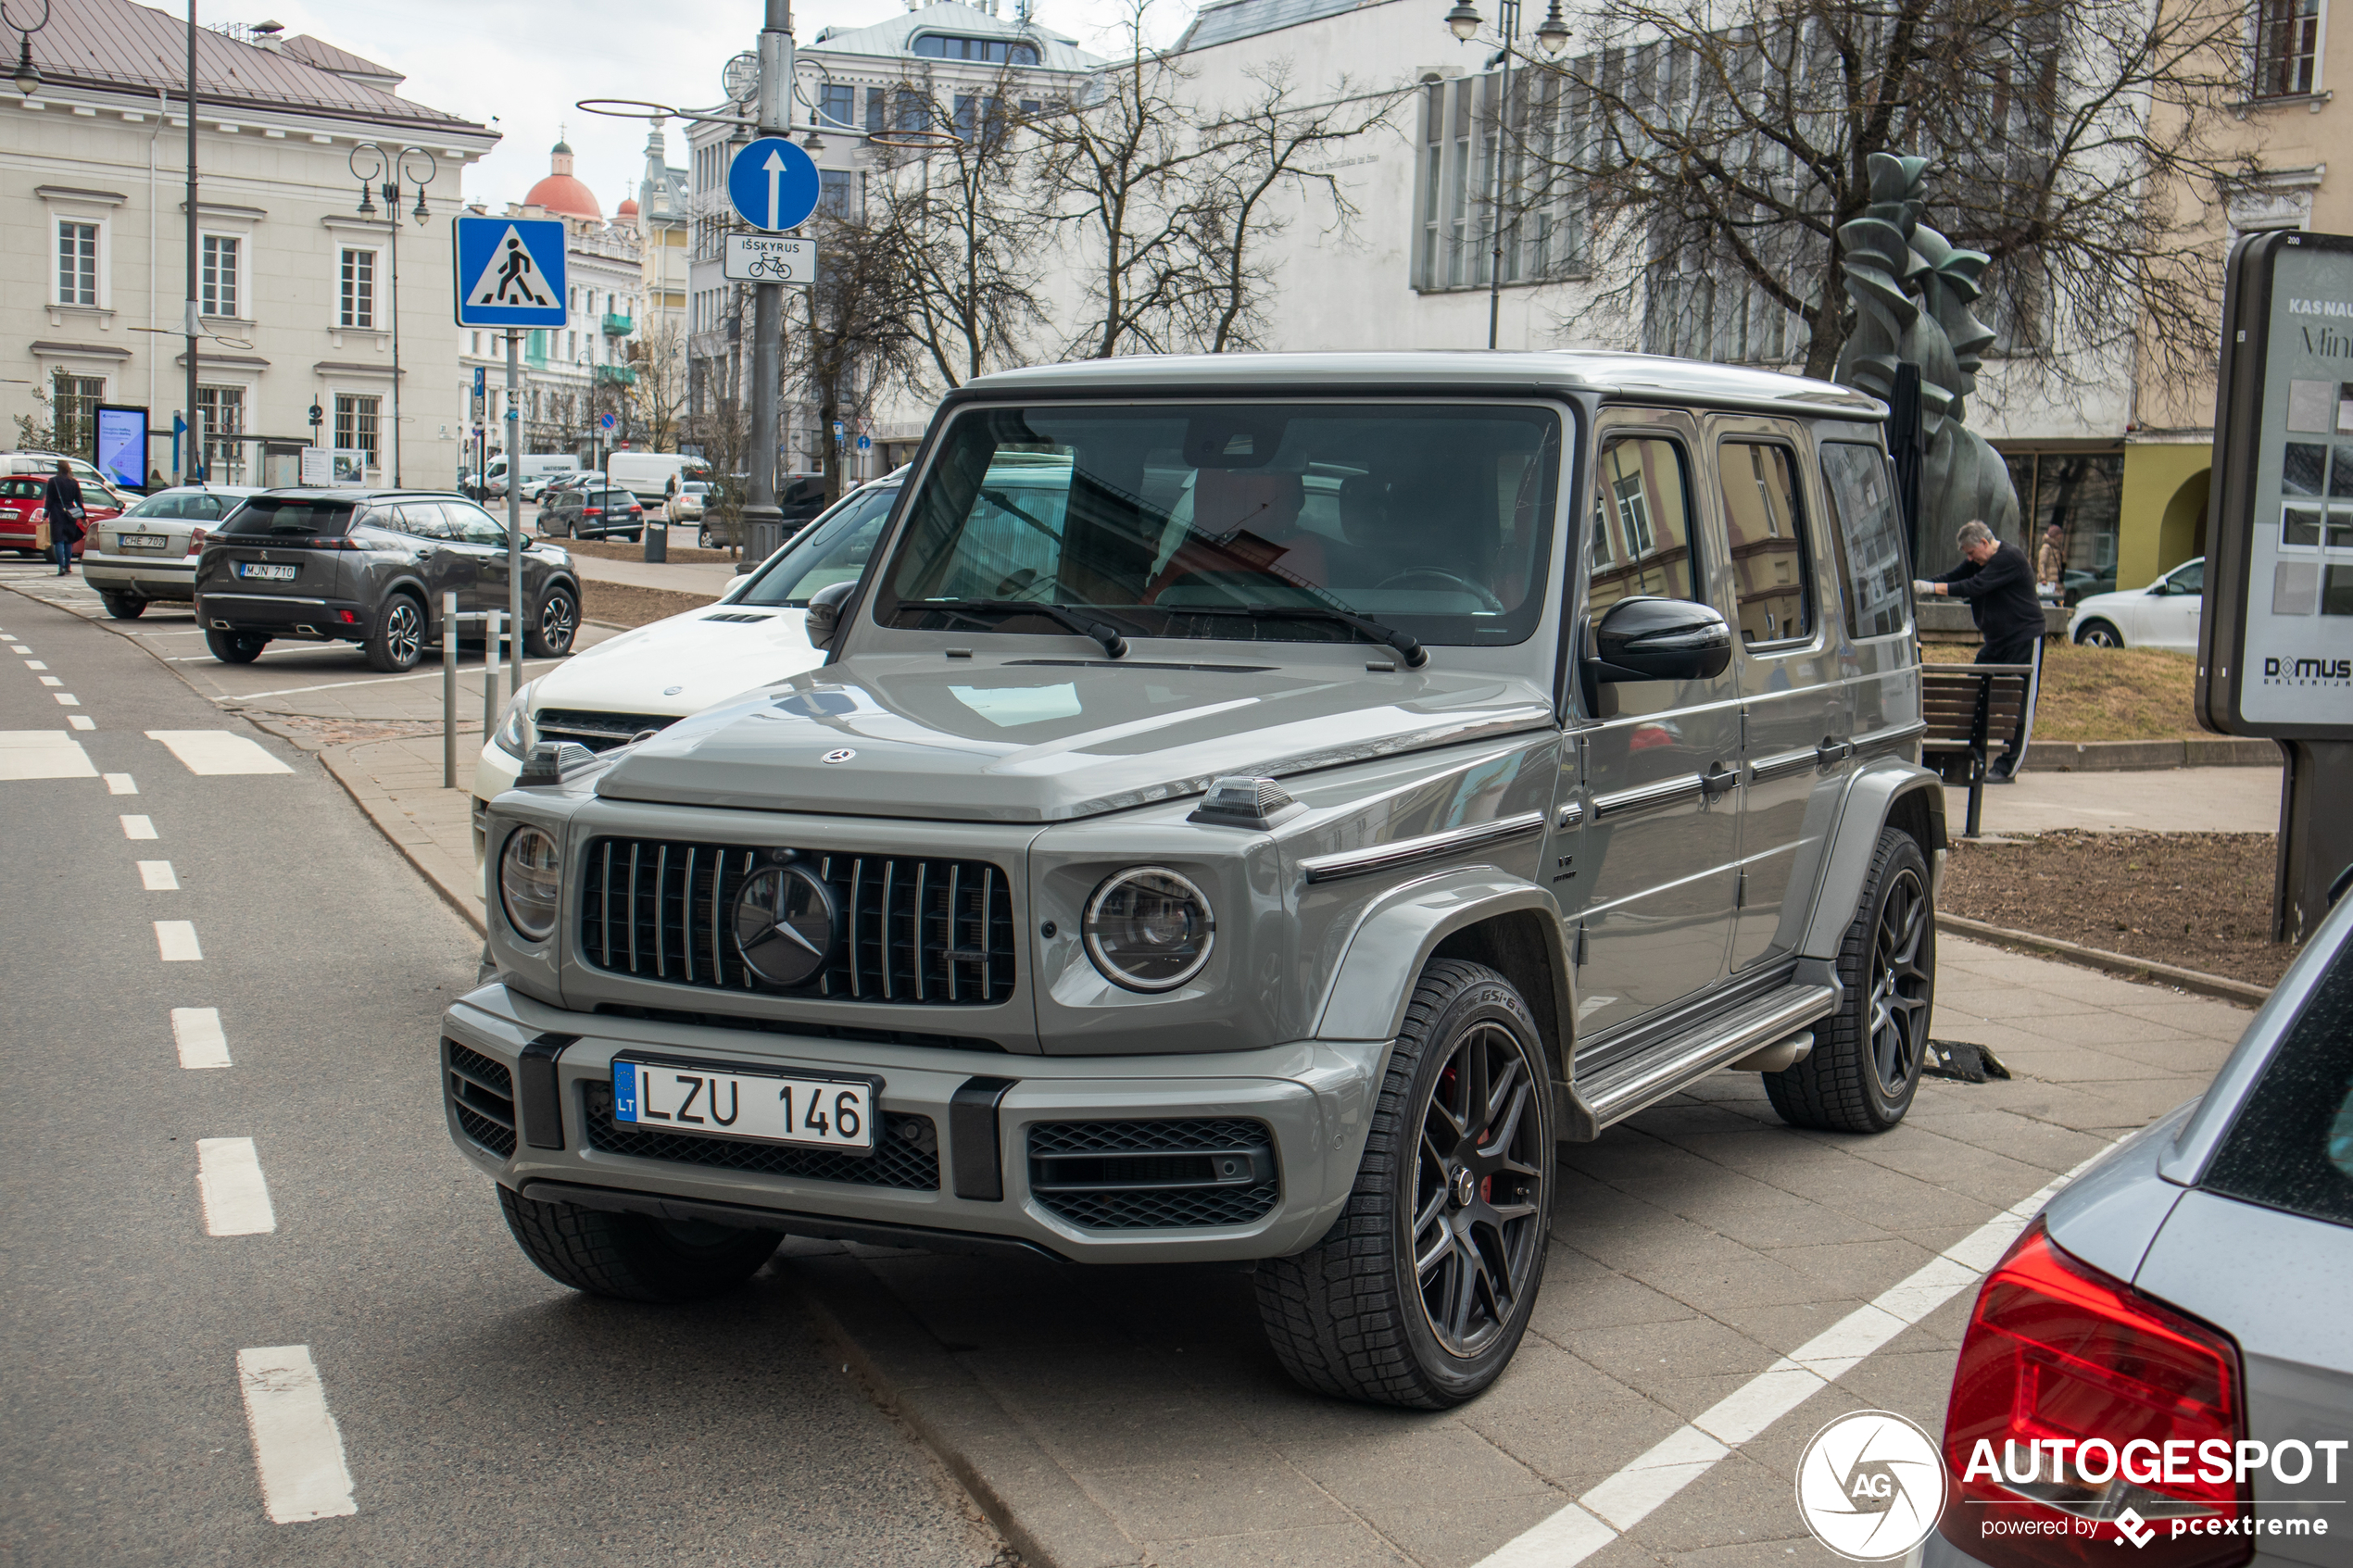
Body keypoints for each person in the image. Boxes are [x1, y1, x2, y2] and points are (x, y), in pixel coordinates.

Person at [1917, 520, 2044, 781]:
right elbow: (1954, 578)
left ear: (1984, 543)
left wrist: (1931, 589)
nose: (1969, 558)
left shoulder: (2010, 558)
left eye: (1971, 552)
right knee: (1975, 690)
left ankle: (2007, 767)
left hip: (2024, 638)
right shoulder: (1979, 561)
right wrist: (1921, 585)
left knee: (2019, 703)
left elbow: (1974, 587)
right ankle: (1965, 753)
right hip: (1996, 641)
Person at [41, 460, 85, 577]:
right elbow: (79, 500)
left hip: (56, 512)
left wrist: (46, 514)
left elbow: (49, 499)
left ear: (58, 469)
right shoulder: (74, 482)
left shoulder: (53, 481)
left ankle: (60, 566)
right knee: (68, 540)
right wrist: (83, 516)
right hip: (70, 513)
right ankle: (68, 565)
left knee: (59, 540)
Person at [2036, 521, 2066, 602]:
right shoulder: (2046, 547)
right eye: (2059, 534)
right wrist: (2043, 578)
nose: (2061, 536)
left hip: (2055, 581)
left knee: (2057, 601)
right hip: (2049, 581)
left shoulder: (2056, 547)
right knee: (2049, 601)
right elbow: (2042, 563)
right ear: (2055, 535)